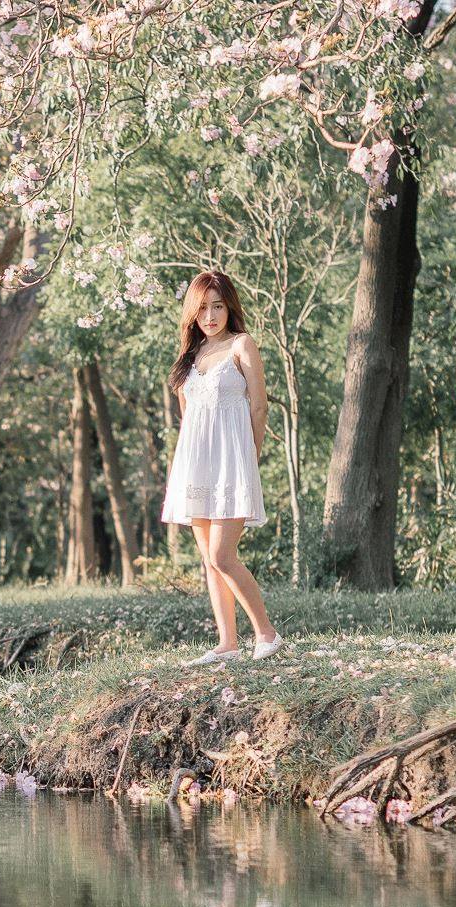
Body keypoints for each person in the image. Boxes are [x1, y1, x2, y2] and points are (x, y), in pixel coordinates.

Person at [162, 271, 284, 664]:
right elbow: (188, 417)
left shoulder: (242, 345)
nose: (211, 315)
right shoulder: (190, 357)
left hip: (234, 461)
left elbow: (259, 406)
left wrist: (251, 456)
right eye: (203, 308)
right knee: (209, 560)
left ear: (229, 307)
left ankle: (266, 633)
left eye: (217, 306)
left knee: (222, 554)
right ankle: (227, 643)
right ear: (193, 313)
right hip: (197, 465)